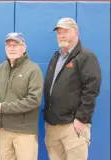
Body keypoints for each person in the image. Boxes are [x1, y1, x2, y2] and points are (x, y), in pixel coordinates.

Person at [43, 17, 102, 160]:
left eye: (65, 31)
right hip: (52, 126)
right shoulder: (56, 57)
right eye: (59, 32)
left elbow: (91, 89)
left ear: (76, 32)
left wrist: (82, 118)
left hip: (72, 127)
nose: (61, 35)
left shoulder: (86, 56)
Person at [0, 32, 44, 160]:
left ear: (24, 48)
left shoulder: (33, 70)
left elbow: (34, 100)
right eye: (8, 45)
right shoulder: (2, 67)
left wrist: (3, 108)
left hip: (24, 132)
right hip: (4, 130)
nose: (11, 48)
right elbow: (3, 93)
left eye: (16, 45)